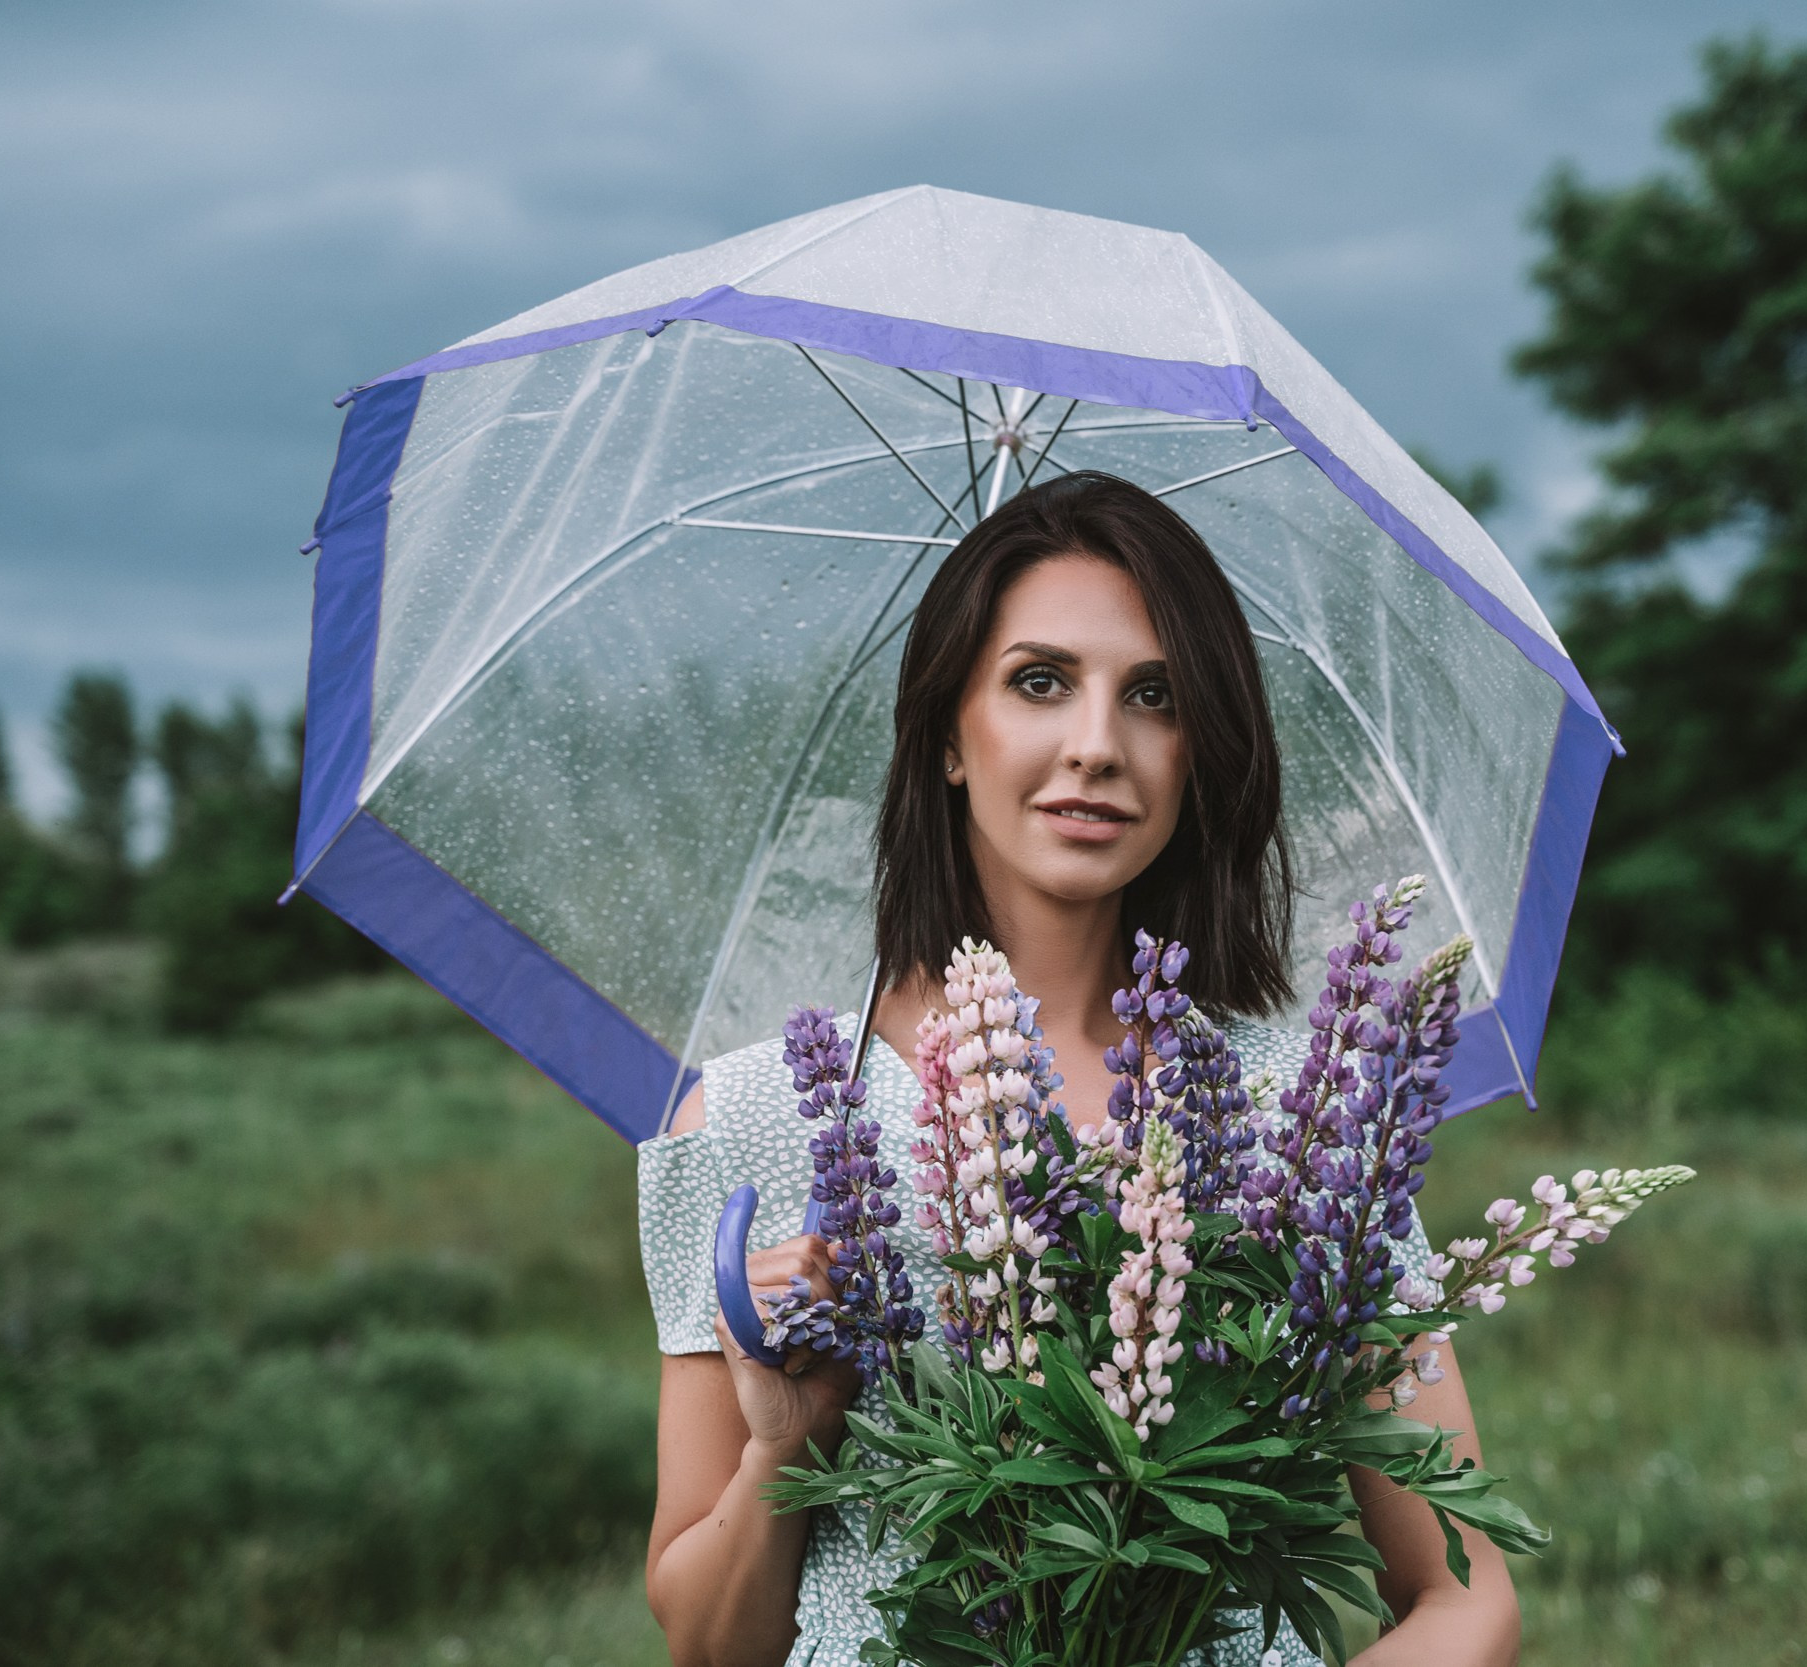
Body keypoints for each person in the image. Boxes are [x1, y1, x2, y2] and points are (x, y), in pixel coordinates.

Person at [637, 472, 1519, 1667]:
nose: (1096, 745)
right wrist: (785, 1443)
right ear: (950, 732)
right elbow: (701, 1645)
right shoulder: (754, 1114)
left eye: (1153, 695)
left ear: (1200, 746)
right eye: (1039, 680)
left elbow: (1465, 1597)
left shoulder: (1302, 1124)